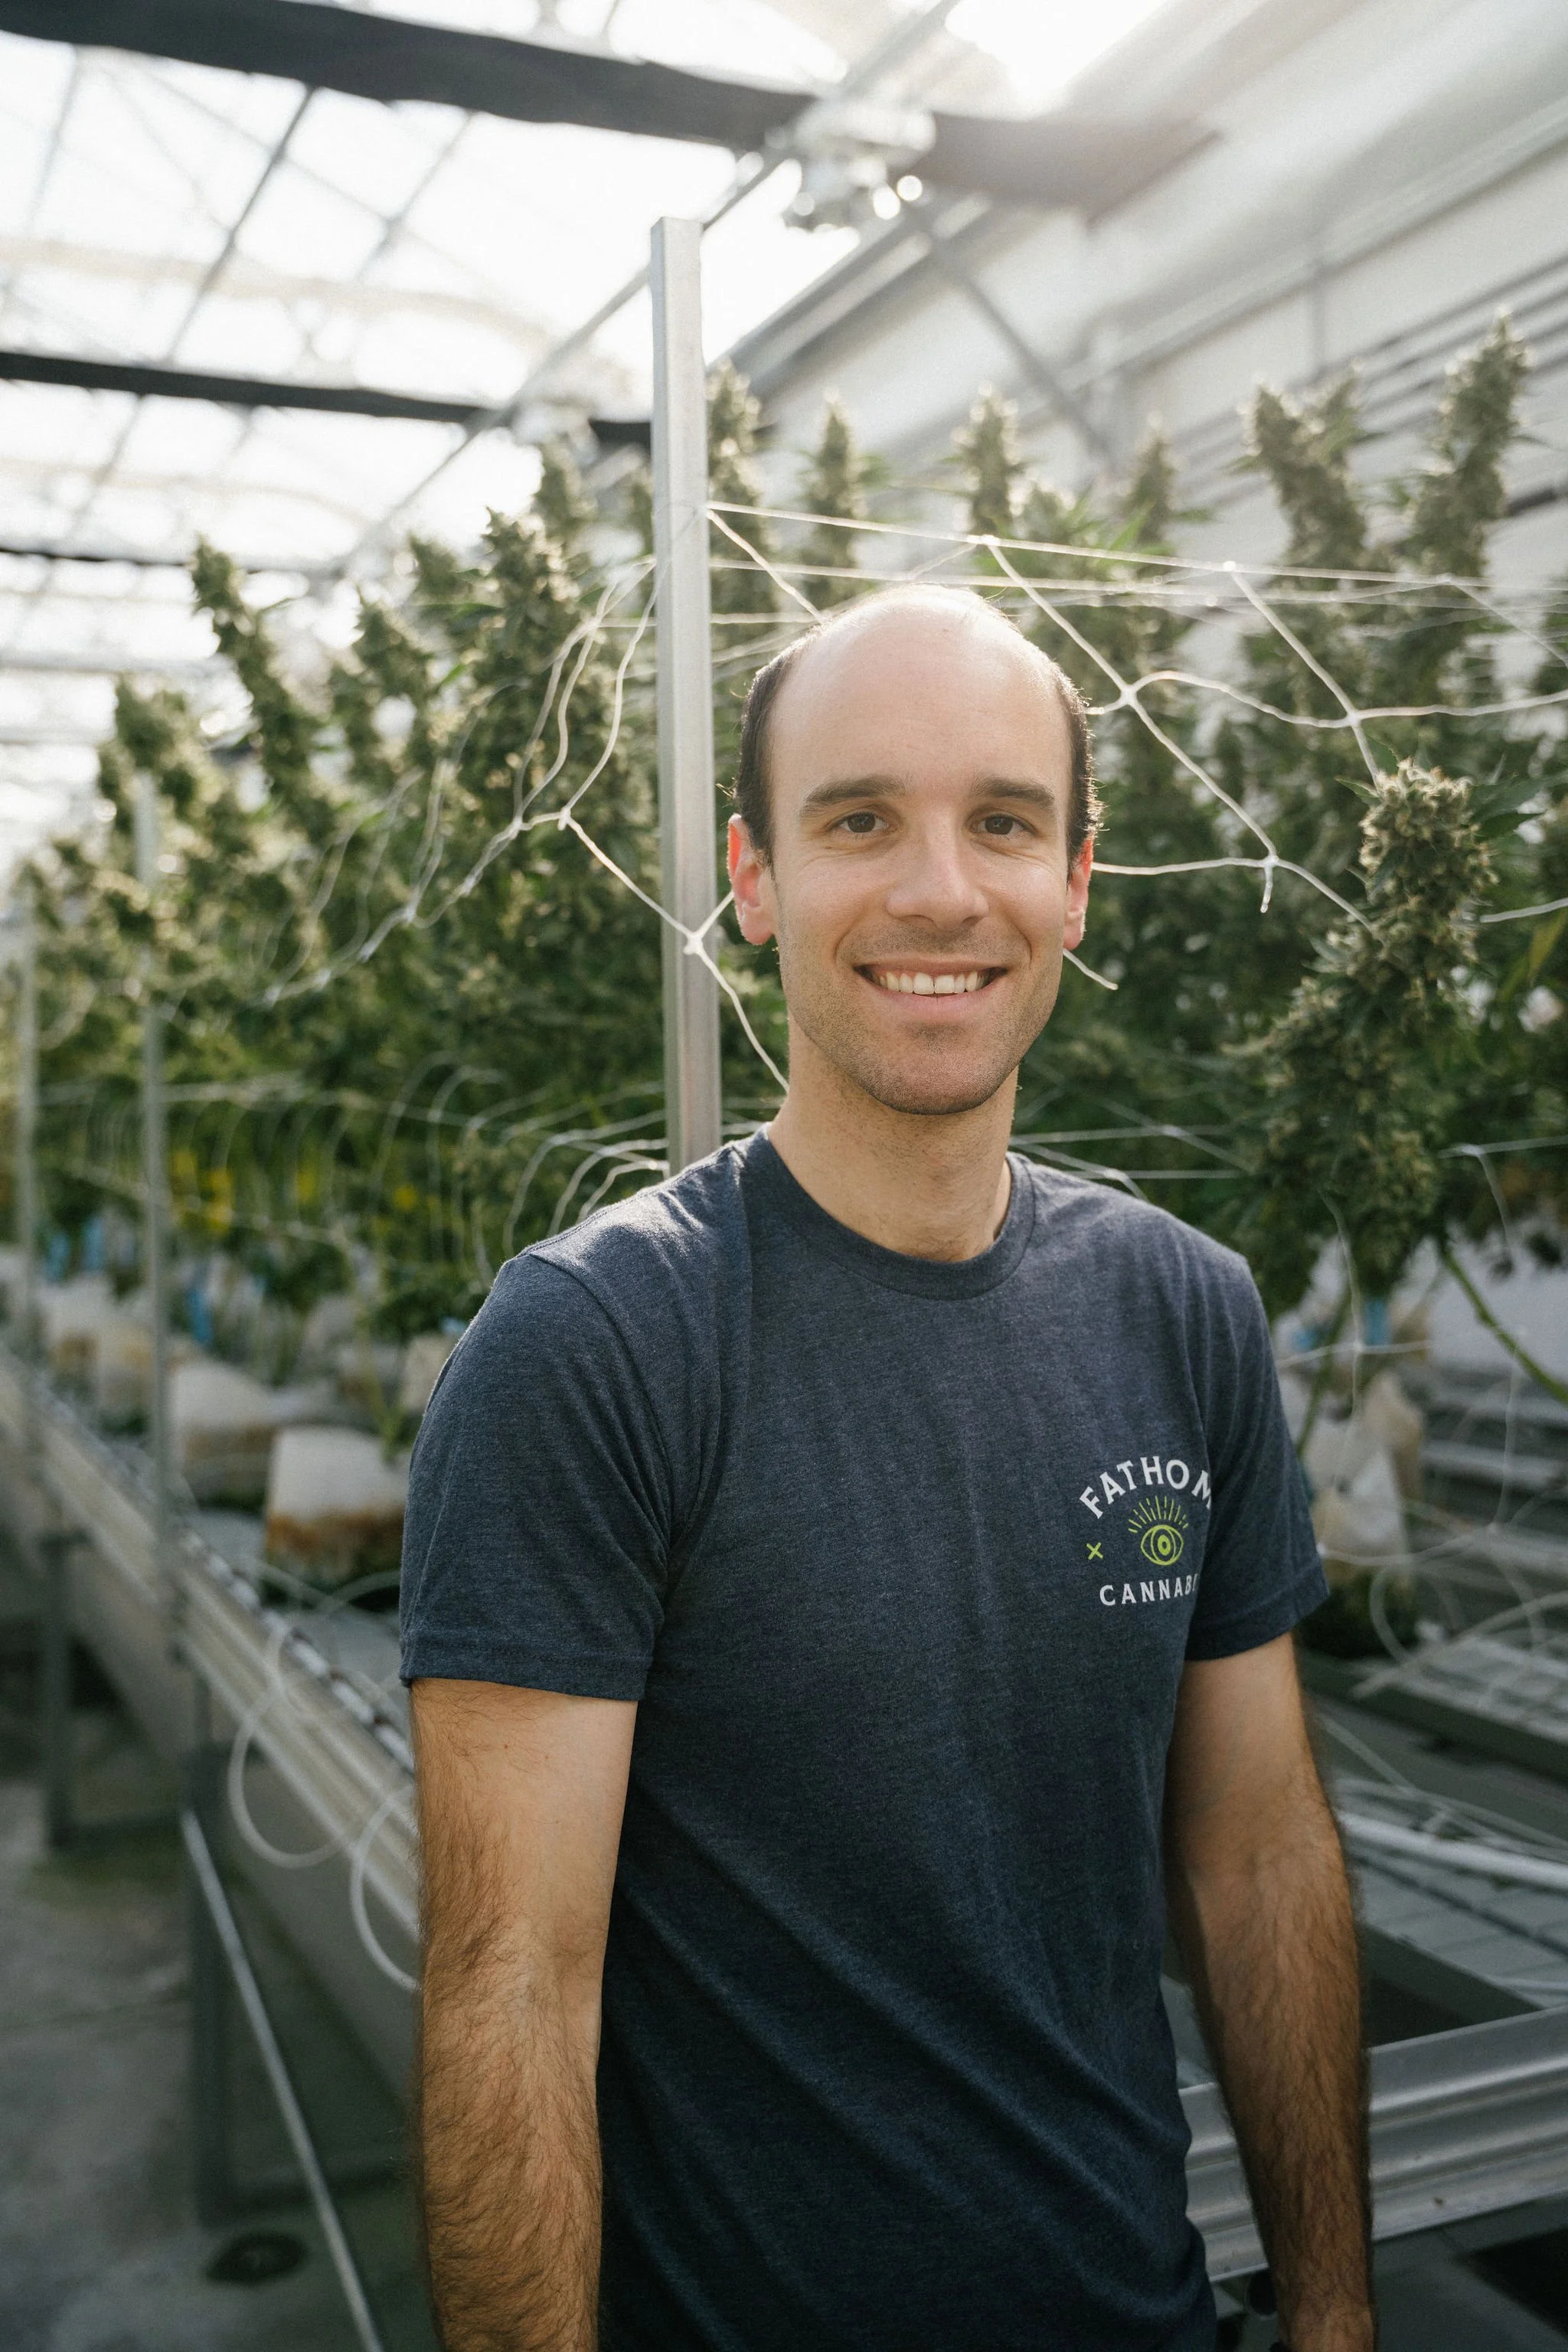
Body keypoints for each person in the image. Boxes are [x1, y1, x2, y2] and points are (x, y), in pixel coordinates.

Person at [400, 586, 1373, 2352]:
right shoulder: (594, 1348)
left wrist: (1332, 2318)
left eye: (1001, 822)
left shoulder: (1185, 1313)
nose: (940, 890)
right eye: (859, 820)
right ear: (751, 876)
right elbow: (514, 1993)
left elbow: (1257, 1859)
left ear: (1076, 882)